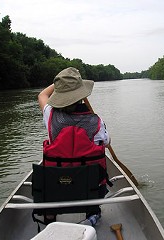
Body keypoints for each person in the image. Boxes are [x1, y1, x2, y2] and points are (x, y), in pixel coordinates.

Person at [37, 67, 110, 223]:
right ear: (81, 96)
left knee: (54, 179)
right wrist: (72, 82)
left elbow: (42, 95)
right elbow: (107, 142)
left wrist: (62, 83)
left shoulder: (50, 115)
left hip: (56, 188)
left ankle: (50, 215)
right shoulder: (97, 122)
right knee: (96, 176)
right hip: (90, 190)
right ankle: (92, 214)